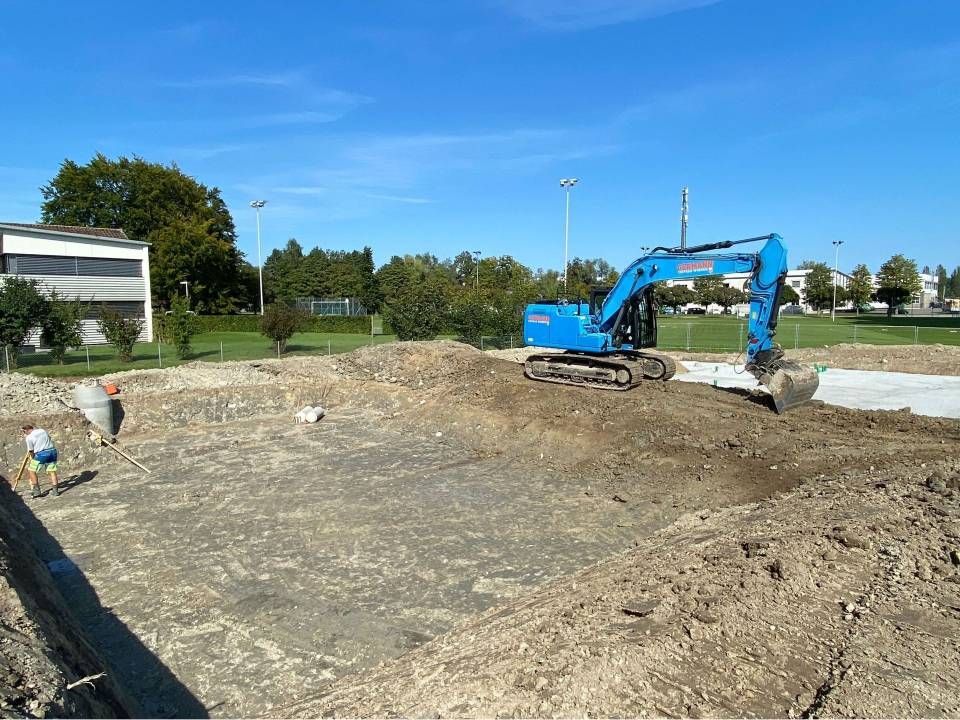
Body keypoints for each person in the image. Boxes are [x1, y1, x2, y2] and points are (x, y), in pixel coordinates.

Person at [21, 424, 60, 498]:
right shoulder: (42, 430)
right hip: (52, 451)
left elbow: (31, 451)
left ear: (26, 430)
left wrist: (33, 458)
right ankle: (55, 491)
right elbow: (49, 438)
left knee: (31, 470)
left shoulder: (29, 437)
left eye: (24, 432)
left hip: (42, 454)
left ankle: (37, 491)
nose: (24, 433)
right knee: (52, 471)